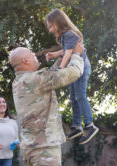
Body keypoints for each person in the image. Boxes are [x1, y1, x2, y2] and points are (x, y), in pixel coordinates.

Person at [9, 43, 84, 166]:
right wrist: (76, 55)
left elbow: (51, 74)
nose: (35, 54)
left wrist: (62, 57)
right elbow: (71, 73)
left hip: (35, 148)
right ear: (25, 61)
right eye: (31, 53)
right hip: (44, 150)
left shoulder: (22, 81)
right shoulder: (34, 80)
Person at [45, 8, 99, 145]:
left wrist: (60, 69)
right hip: (76, 68)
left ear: (58, 22)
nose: (50, 30)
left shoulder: (69, 34)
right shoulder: (65, 36)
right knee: (73, 98)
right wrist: (54, 54)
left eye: (51, 26)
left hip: (81, 68)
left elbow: (68, 54)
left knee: (80, 96)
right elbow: (65, 50)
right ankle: (76, 126)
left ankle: (89, 125)